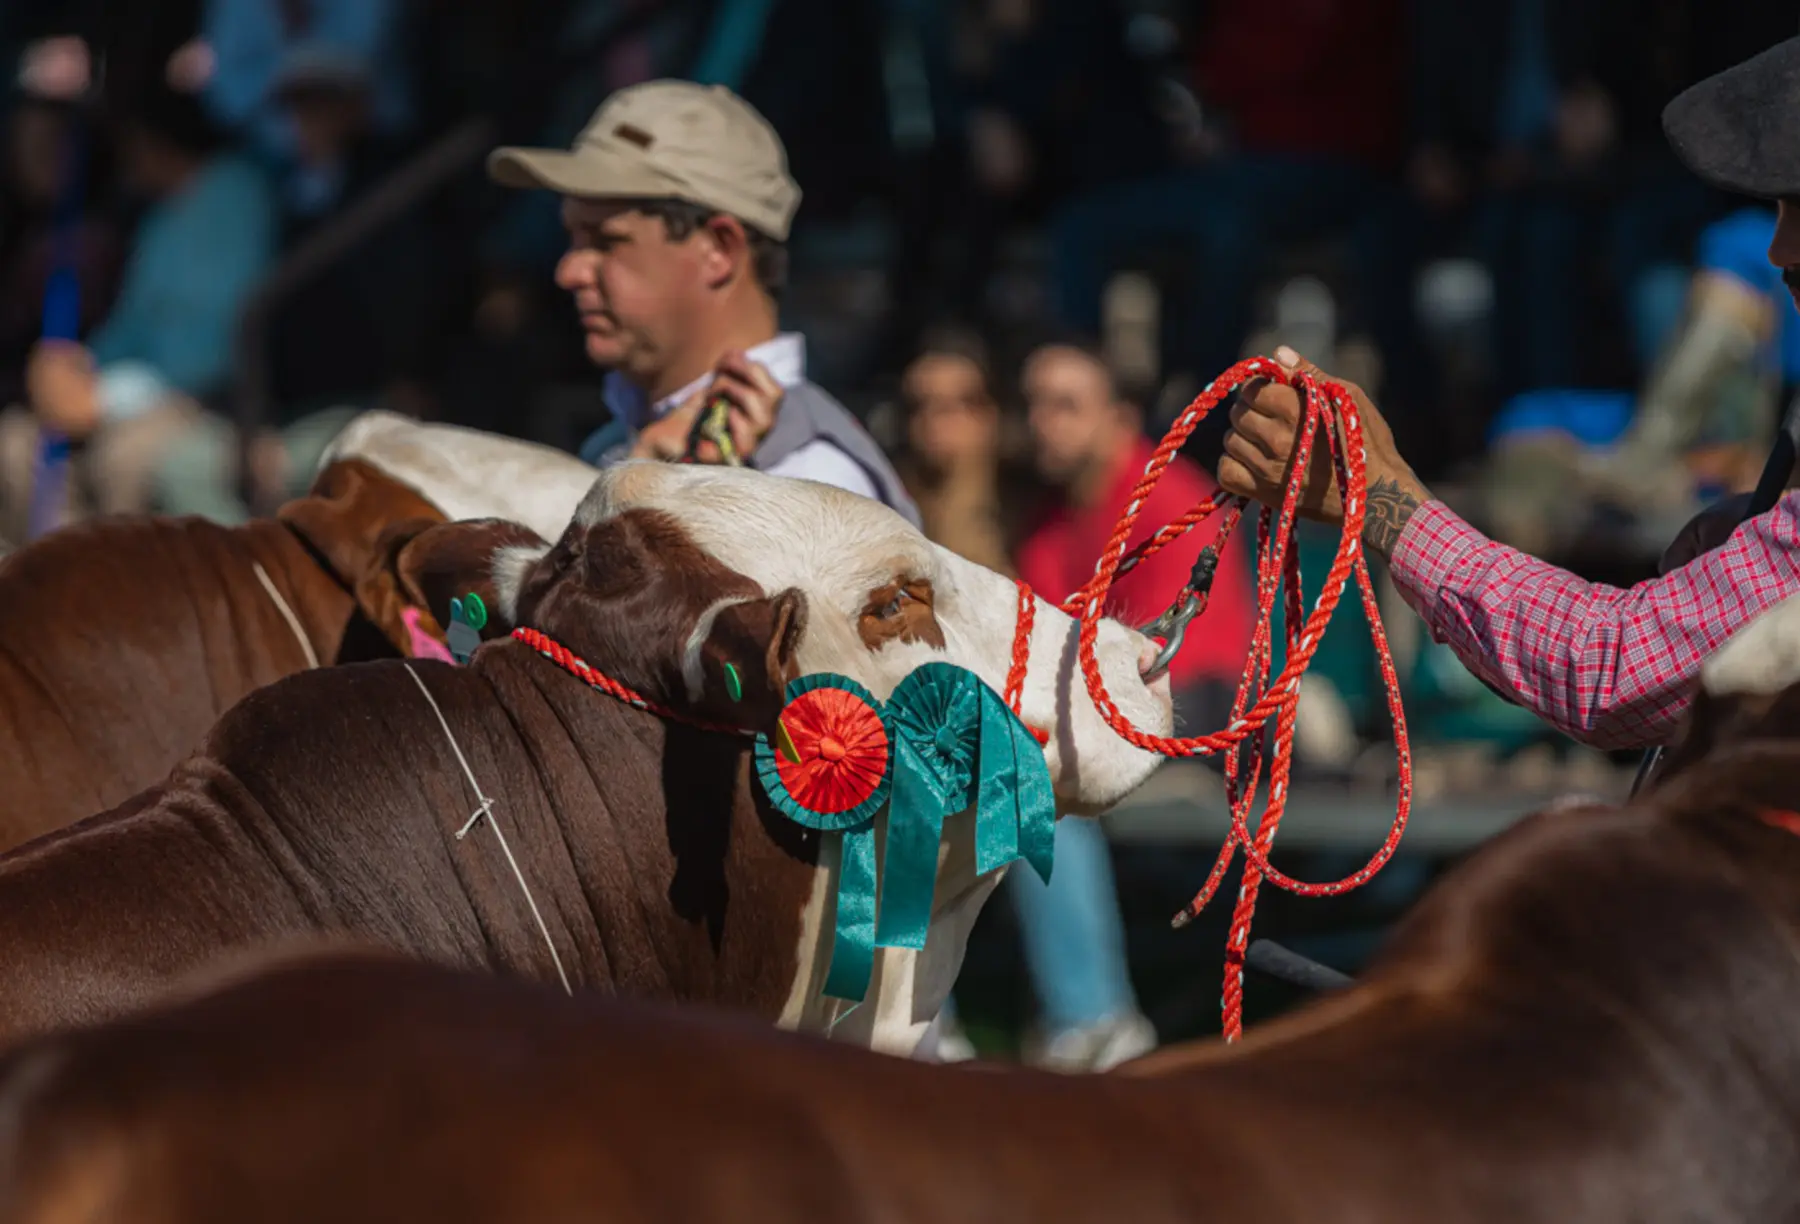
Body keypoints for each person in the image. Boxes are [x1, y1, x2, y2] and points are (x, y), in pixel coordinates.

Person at [484, 79, 919, 525]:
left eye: (606, 241)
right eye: (572, 238)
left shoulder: (810, 478)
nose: (569, 272)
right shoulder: (616, 448)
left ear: (720, 249)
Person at [0, 80, 276, 541]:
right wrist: (80, 369)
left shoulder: (236, 195)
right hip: (127, 394)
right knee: (14, 444)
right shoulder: (159, 222)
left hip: (197, 398)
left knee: (124, 460)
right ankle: (58, 590)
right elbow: (131, 322)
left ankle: (122, 603)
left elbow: (210, 341)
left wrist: (104, 396)